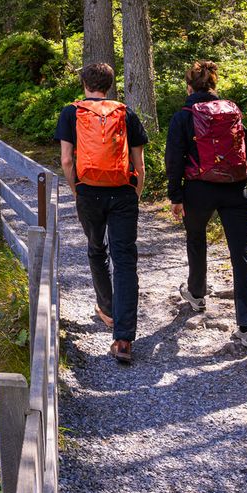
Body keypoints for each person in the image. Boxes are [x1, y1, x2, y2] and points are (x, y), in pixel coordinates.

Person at [58, 61, 149, 365]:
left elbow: (67, 161)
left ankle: (106, 310)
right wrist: (132, 196)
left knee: (97, 249)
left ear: (84, 84)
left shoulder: (71, 112)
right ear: (110, 85)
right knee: (125, 260)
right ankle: (123, 339)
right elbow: (140, 166)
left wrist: (76, 190)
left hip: (89, 191)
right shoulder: (125, 112)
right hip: (122, 192)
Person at [165, 59, 247, 351]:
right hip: (236, 190)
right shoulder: (231, 111)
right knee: (242, 253)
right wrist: (241, 184)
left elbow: (174, 159)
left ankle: (196, 294)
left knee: (196, 239)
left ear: (189, 86)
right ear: (214, 85)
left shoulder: (183, 116)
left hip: (198, 190)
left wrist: (176, 196)